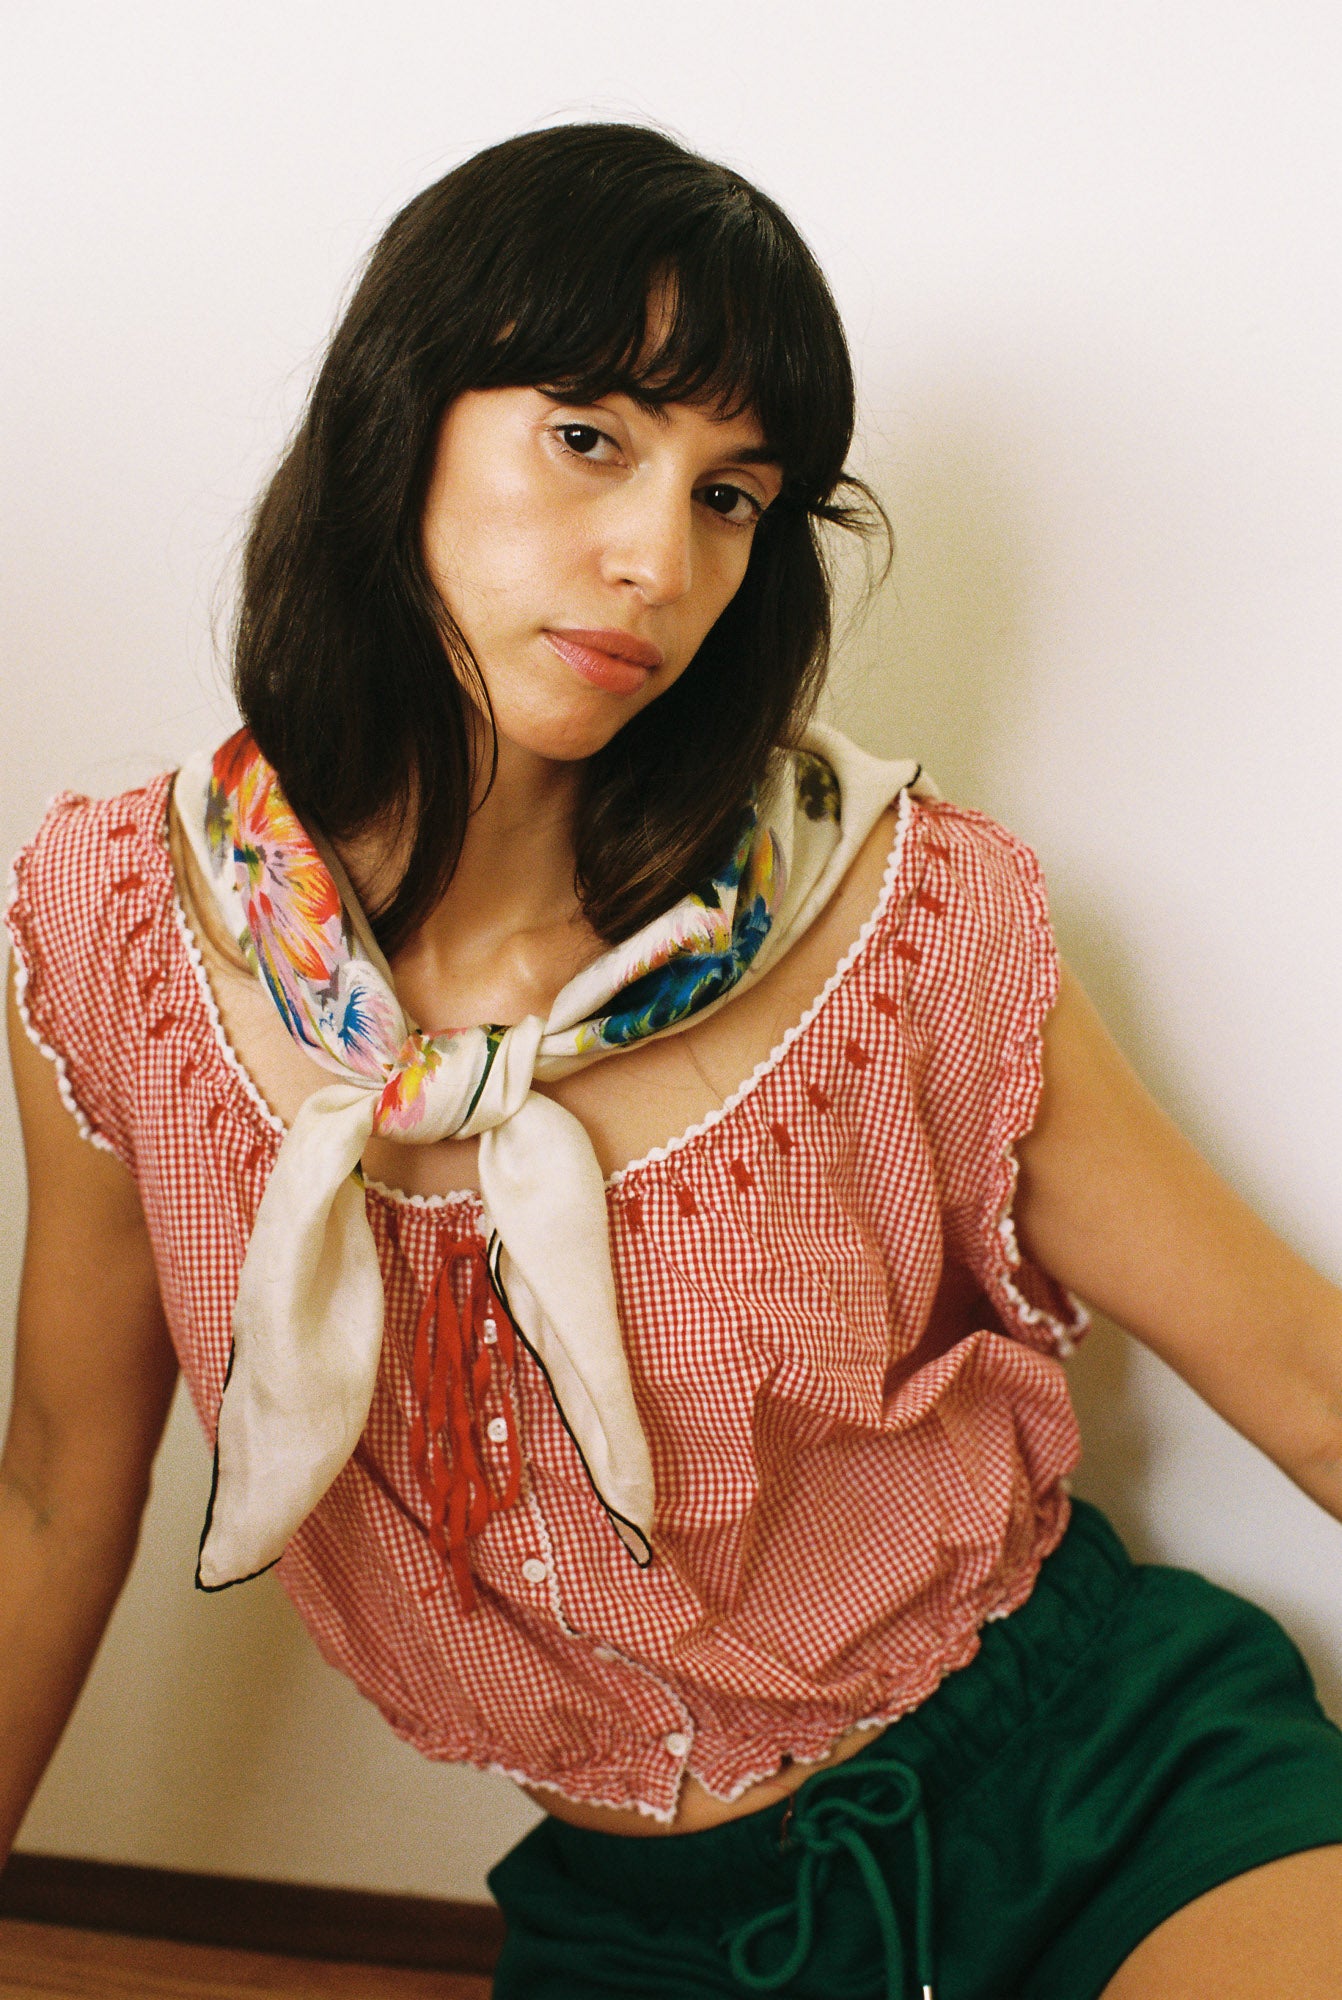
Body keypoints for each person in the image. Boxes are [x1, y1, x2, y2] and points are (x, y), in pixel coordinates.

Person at [3, 122, 1341, 2000]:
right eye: (589, 435)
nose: (655, 554)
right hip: (654, 1919)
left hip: (1090, 1780)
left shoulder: (897, 923)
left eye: (733, 494)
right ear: (405, 417)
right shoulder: (126, 939)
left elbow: (1303, 1373)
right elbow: (61, 1488)